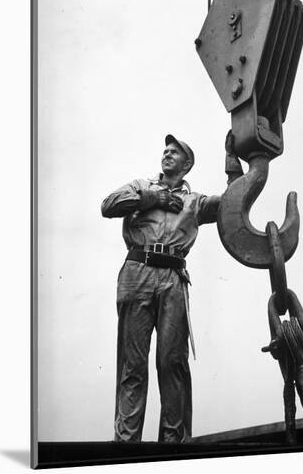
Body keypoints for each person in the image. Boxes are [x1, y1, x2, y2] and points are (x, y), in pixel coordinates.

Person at [101, 133, 242, 443]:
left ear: (186, 164)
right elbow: (108, 205)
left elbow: (234, 203)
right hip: (137, 272)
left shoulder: (195, 202)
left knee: (172, 362)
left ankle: (174, 447)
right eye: (164, 150)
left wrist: (233, 161)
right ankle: (125, 446)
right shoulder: (140, 186)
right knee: (132, 364)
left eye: (174, 152)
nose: (166, 154)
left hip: (174, 279)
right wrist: (154, 199)